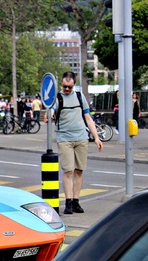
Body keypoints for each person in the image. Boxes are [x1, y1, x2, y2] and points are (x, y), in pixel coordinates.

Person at [48, 71, 103, 215]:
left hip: (81, 137)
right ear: (62, 84)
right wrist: (50, 115)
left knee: (79, 170)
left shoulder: (79, 96)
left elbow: (88, 118)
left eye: (69, 87)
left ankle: (76, 201)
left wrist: (96, 137)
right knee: (68, 171)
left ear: (74, 85)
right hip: (64, 138)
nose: (67, 89)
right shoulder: (57, 98)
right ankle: (68, 203)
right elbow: (51, 111)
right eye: (65, 86)